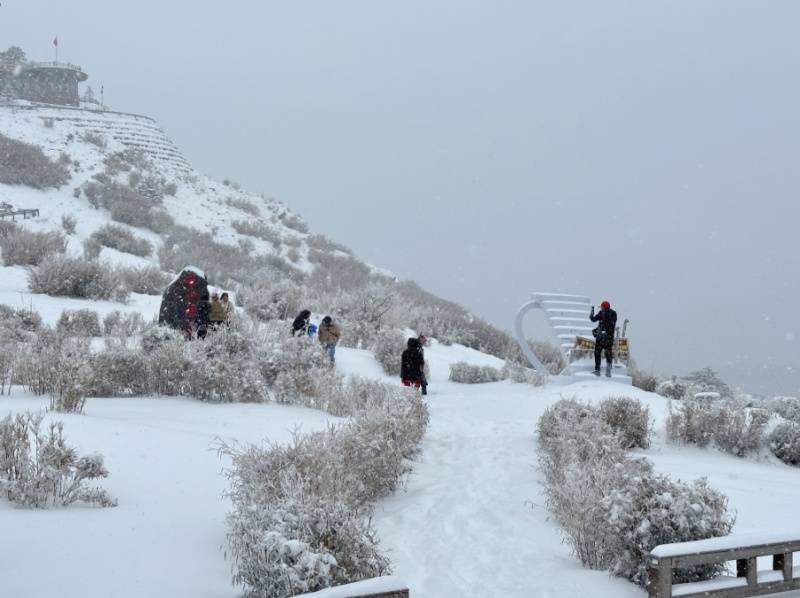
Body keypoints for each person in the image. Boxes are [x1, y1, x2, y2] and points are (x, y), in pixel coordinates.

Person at [590, 300, 617, 377]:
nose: (601, 309)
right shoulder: (601, 313)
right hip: (601, 337)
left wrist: (605, 315)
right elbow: (593, 319)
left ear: (604, 307)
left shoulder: (613, 313)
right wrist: (592, 312)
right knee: (598, 353)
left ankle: (608, 371)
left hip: (607, 337)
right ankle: (598, 370)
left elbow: (612, 324)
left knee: (607, 354)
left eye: (602, 307)